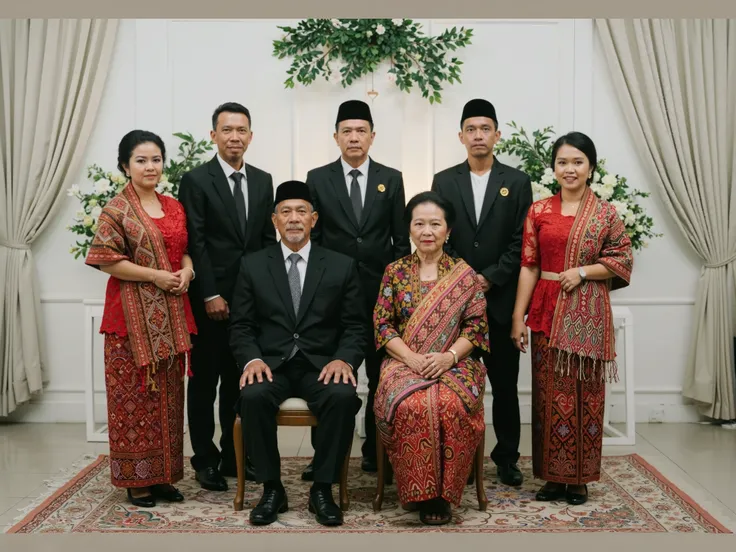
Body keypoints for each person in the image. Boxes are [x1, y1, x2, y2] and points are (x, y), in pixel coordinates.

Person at [230, 180, 366, 527]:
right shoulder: (253, 265)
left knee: (342, 395)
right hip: (271, 364)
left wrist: (344, 359)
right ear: (274, 220)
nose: (294, 219)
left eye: (301, 212)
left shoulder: (340, 265)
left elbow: (356, 326)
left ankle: (322, 489)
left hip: (320, 365)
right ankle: (272, 488)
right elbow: (241, 326)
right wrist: (252, 359)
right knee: (254, 395)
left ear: (314, 219)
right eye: (286, 212)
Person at [511, 132, 633, 505]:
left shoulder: (604, 214)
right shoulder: (539, 211)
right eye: (562, 162)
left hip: (587, 314)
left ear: (591, 168)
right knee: (549, 396)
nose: (569, 169)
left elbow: (622, 260)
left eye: (577, 162)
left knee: (586, 396)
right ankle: (551, 477)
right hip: (547, 310)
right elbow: (529, 266)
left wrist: (582, 273)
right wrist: (518, 317)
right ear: (553, 167)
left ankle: (579, 478)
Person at [85, 130, 197, 507]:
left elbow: (183, 251)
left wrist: (187, 272)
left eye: (156, 159)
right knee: (132, 401)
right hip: (128, 323)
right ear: (125, 166)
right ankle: (137, 480)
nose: (151, 167)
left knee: (167, 400)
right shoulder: (116, 210)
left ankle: (163, 476)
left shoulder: (174, 206)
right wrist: (155, 276)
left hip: (170, 320)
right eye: (141, 160)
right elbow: (106, 260)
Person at [303, 99, 410, 478]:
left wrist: (398, 292)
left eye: (360, 130)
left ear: (372, 136)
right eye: (346, 131)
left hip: (381, 296)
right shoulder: (317, 178)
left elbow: (401, 242)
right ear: (336, 137)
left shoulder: (391, 177)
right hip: (333, 297)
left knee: (383, 378)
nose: (353, 137)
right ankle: (322, 455)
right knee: (328, 374)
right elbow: (312, 241)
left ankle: (376, 451)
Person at [431, 99, 532, 487]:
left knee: (505, 385)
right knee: (458, 385)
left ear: (497, 135)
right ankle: (461, 457)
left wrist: (489, 278)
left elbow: (521, 241)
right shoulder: (444, 180)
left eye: (485, 128)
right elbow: (441, 235)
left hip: (502, 299)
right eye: (471, 129)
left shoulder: (517, 181)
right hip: (458, 302)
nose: (478, 135)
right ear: (461, 136)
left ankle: (507, 458)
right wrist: (465, 277)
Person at [372, 191, 490, 525]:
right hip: (403, 361)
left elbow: (477, 328)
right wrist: (410, 358)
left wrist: (449, 358)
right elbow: (382, 324)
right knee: (412, 405)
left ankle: (442, 495)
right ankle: (418, 491)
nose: (427, 231)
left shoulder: (464, 274)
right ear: (409, 229)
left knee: (449, 404)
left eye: (435, 224)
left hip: (456, 363)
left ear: (447, 230)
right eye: (419, 223)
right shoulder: (394, 272)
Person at [178, 102, 277, 492]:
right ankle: (204, 460)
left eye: (241, 131)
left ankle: (235, 457)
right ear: (213, 135)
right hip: (210, 301)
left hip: (250, 302)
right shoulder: (197, 180)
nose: (234, 137)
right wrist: (211, 293)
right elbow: (196, 241)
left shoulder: (264, 180)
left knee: (241, 382)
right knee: (205, 382)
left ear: (250, 136)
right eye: (227, 130)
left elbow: (267, 242)